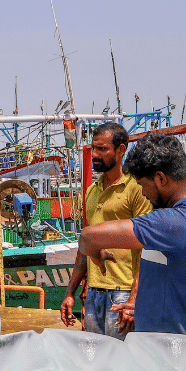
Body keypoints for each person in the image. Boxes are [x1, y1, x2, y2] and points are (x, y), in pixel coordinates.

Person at [77, 132, 186, 339]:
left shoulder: (173, 221)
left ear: (160, 178)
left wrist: (95, 255)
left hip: (171, 354)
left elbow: (88, 237)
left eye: (142, 186)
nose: (143, 194)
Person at [61, 122, 153, 339]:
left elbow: (145, 247)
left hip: (122, 294)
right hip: (93, 293)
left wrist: (134, 298)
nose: (94, 154)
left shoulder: (136, 189)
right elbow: (86, 245)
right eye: (94, 148)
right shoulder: (92, 191)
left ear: (121, 150)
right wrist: (71, 292)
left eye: (102, 149)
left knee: (121, 362)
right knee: (97, 362)